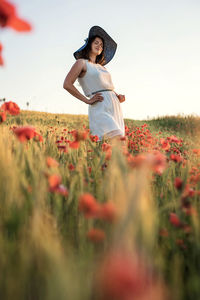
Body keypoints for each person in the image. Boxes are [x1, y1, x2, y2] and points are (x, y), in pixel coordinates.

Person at [63, 25, 126, 146]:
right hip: (99, 106)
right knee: (117, 139)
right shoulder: (81, 63)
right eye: (96, 43)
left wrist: (118, 97)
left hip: (114, 106)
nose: (99, 46)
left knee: (117, 147)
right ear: (89, 45)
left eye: (102, 45)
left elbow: (107, 86)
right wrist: (86, 100)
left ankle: (109, 165)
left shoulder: (103, 68)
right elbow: (67, 84)